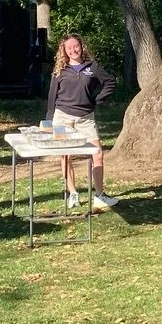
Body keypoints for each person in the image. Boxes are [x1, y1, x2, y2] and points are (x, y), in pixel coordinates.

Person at [45, 33, 118, 210]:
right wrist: (49, 120)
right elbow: (52, 95)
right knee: (66, 156)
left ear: (81, 46)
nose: (73, 50)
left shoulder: (92, 67)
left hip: (86, 119)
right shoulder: (60, 69)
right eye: (69, 48)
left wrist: (97, 100)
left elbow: (110, 83)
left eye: (75, 46)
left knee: (98, 154)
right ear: (64, 50)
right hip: (62, 118)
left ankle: (100, 195)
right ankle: (73, 194)